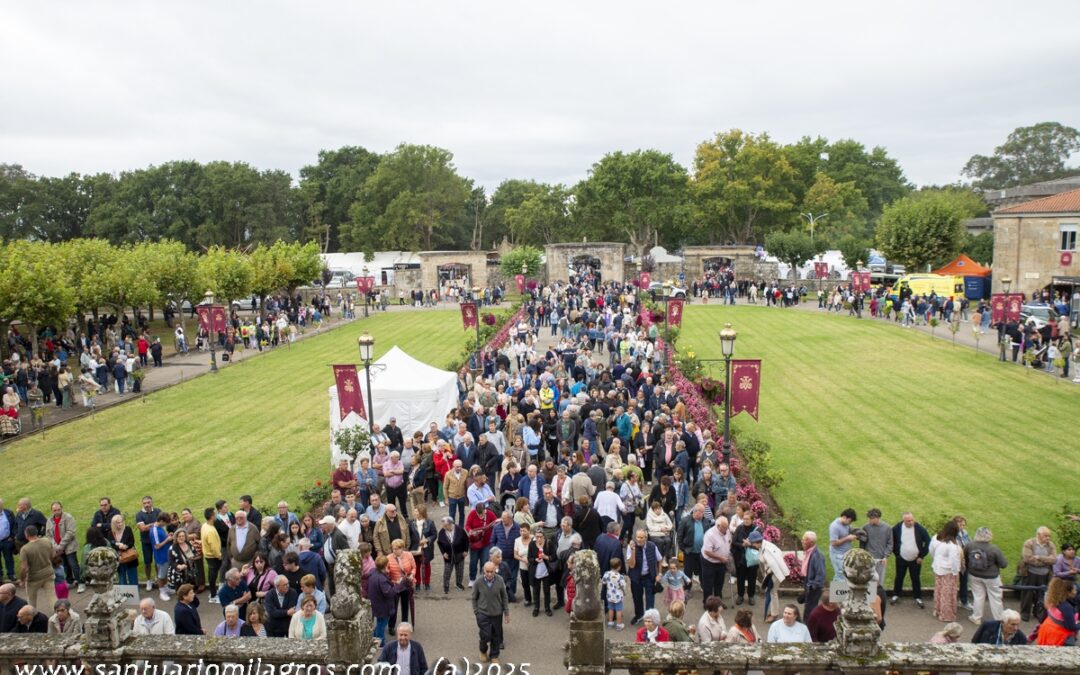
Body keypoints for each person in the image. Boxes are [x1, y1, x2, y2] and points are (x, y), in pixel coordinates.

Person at [965, 527, 1008, 625]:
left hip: (974, 575)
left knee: (978, 596)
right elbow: (1003, 564)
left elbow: (966, 559)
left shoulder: (969, 545)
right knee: (995, 597)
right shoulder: (994, 548)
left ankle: (976, 617)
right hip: (992, 577)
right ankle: (998, 619)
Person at [472, 561, 510, 663]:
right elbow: (474, 598)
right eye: (487, 571)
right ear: (484, 570)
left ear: (495, 571)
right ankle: (483, 650)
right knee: (486, 635)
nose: (489, 574)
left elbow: (504, 597)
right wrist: (476, 612)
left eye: (491, 571)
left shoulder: (500, 580)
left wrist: (506, 613)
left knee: (496, 636)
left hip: (497, 614)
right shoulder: (478, 582)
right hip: (482, 614)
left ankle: (494, 655)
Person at [890, 512, 930, 609]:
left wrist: (921, 556)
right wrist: (897, 554)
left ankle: (918, 597)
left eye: (912, 520)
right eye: (908, 521)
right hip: (901, 558)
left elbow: (928, 541)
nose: (911, 522)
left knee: (915, 578)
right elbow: (892, 541)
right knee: (899, 577)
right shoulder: (897, 528)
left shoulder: (919, 528)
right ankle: (896, 595)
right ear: (903, 520)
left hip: (915, 559)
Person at [1021, 526, 1058, 622]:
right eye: (1045, 536)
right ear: (1038, 535)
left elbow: (1054, 560)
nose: (1048, 538)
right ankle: (1025, 613)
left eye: (1049, 536)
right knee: (1027, 593)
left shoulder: (1051, 545)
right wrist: (1046, 560)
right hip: (1030, 572)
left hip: (1045, 574)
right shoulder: (1029, 543)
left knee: (1041, 594)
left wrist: (1039, 557)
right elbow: (1027, 559)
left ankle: (1038, 612)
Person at [626, 528, 661, 625]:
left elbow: (660, 559)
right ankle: (639, 615)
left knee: (650, 599)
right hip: (636, 577)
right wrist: (633, 551)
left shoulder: (652, 546)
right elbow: (631, 565)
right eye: (637, 537)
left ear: (646, 537)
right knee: (637, 598)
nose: (639, 539)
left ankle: (649, 619)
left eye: (641, 537)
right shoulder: (631, 547)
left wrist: (659, 574)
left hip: (649, 576)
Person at [930, 520, 962, 622]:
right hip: (948, 572)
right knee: (947, 594)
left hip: (938, 569)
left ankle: (938, 610)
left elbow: (932, 552)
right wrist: (956, 572)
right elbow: (954, 560)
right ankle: (946, 615)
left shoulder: (939, 542)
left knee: (939, 591)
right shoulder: (953, 546)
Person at [18, 526, 56, 611]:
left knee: (31, 601)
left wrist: (22, 580)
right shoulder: (47, 541)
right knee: (52, 597)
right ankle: (60, 614)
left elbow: (24, 568)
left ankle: (32, 616)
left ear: (26, 535)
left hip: (33, 578)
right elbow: (53, 555)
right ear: (36, 532)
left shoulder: (25, 549)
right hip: (49, 573)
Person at [45, 502, 80, 593]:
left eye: (58, 510)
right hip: (58, 548)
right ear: (52, 511)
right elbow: (48, 535)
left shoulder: (68, 518)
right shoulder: (49, 520)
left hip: (69, 546)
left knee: (73, 564)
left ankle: (80, 582)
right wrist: (55, 546)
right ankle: (70, 581)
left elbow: (70, 533)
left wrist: (61, 545)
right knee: (65, 565)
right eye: (54, 510)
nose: (57, 512)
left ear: (62, 508)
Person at [1035, 577, 1078, 646]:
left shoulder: (1054, 601)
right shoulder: (1066, 607)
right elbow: (1071, 627)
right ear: (1068, 592)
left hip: (1047, 631)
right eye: (1074, 589)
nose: (1076, 591)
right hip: (1058, 637)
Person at [700, 516, 731, 605]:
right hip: (709, 562)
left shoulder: (727, 531)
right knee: (708, 584)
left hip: (721, 562)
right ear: (718, 526)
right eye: (724, 527)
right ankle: (707, 604)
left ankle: (718, 603)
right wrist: (721, 558)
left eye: (727, 527)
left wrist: (727, 554)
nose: (726, 529)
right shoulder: (710, 535)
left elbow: (729, 542)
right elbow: (707, 551)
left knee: (719, 583)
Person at [465, 501, 497, 586]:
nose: (480, 516)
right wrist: (470, 531)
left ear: (484, 510)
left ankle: (483, 578)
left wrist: (493, 527)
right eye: (478, 514)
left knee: (484, 561)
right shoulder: (472, 514)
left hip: (486, 543)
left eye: (481, 514)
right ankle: (472, 578)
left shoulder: (490, 514)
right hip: (474, 542)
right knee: (473, 561)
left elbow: (496, 523)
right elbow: (467, 525)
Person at [860, 508, 893, 588]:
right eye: (869, 518)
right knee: (868, 581)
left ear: (877, 518)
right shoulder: (865, 527)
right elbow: (862, 544)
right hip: (868, 559)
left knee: (879, 582)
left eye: (871, 518)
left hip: (881, 560)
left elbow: (890, 544)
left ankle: (878, 595)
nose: (869, 520)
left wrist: (885, 556)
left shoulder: (887, 528)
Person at [527, 529, 557, 617]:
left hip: (546, 572)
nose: (539, 539)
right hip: (535, 572)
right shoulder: (532, 544)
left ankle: (547, 608)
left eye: (541, 537)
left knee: (547, 591)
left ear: (544, 536)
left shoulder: (549, 543)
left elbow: (554, 557)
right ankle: (536, 608)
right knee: (536, 591)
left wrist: (545, 557)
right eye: (537, 537)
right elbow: (529, 558)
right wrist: (535, 560)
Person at [436, 516, 467, 594]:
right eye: (443, 525)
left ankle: (459, 584)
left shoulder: (460, 530)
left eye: (445, 525)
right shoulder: (442, 532)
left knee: (460, 570)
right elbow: (439, 543)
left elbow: (466, 540)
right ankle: (446, 586)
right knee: (447, 571)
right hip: (448, 555)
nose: (443, 527)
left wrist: (466, 550)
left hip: (459, 553)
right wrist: (443, 553)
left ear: (450, 524)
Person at [828, 508, 858, 581]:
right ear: (844, 517)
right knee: (841, 575)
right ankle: (840, 588)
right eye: (850, 521)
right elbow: (834, 543)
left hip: (845, 554)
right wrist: (847, 538)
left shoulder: (846, 524)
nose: (850, 524)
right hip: (837, 554)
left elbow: (849, 530)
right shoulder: (834, 526)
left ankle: (835, 588)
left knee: (840, 575)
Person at [801, 531, 826, 616]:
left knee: (810, 609)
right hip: (808, 583)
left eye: (805, 540)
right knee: (808, 607)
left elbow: (821, 574)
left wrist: (813, 586)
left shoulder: (817, 555)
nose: (802, 541)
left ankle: (809, 623)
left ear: (811, 542)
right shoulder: (809, 552)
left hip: (813, 587)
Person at [602, 557, 626, 630]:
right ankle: (619, 624)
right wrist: (624, 592)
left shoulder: (607, 574)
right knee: (619, 610)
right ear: (619, 567)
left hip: (610, 595)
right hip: (618, 596)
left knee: (611, 609)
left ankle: (610, 623)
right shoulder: (620, 577)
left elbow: (603, 582)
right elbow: (623, 586)